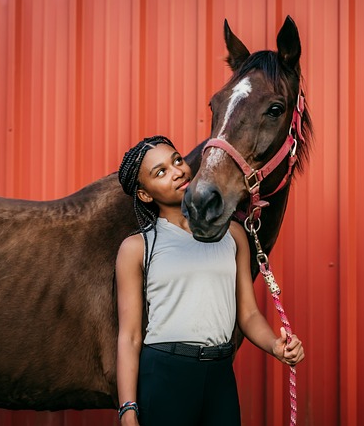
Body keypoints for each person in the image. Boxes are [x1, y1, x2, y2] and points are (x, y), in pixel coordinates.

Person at [115, 135, 305, 426]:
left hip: (219, 373)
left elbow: (249, 314)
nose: (177, 171)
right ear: (145, 195)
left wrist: (276, 346)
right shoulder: (138, 247)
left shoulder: (234, 234)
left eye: (177, 160)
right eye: (161, 172)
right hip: (165, 372)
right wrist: (128, 408)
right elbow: (129, 337)